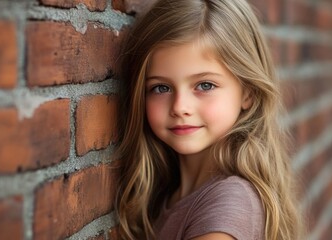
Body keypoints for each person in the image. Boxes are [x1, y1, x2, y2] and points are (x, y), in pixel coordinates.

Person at [114, 0, 304, 239]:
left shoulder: (226, 207)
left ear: (248, 92)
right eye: (161, 88)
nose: (180, 107)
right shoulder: (168, 194)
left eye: (205, 85)